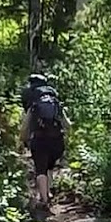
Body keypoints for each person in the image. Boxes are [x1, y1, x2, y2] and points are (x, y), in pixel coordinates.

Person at [20, 80, 69, 212]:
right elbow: (67, 124)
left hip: (40, 139)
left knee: (40, 169)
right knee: (49, 167)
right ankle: (47, 192)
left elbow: (25, 126)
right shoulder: (56, 104)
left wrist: (23, 139)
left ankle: (44, 200)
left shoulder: (34, 105)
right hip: (57, 139)